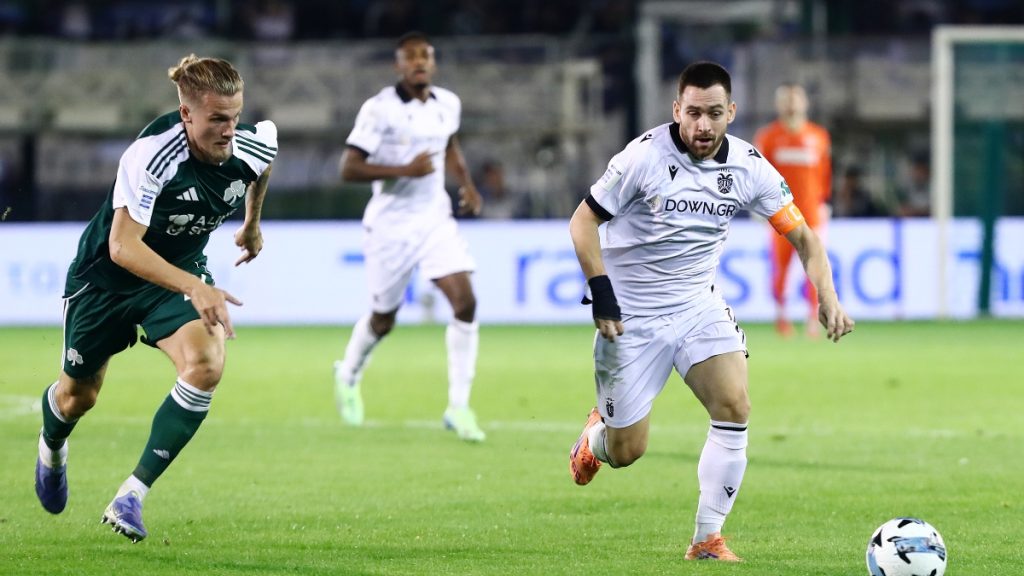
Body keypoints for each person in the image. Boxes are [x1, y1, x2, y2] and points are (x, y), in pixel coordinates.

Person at [568, 62, 854, 562]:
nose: (703, 125)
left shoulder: (748, 166)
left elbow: (806, 238)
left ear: (731, 112)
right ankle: (595, 440)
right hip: (631, 317)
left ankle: (706, 539)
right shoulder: (643, 157)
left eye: (715, 114)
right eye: (694, 113)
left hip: (698, 305)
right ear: (677, 110)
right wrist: (602, 291)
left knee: (734, 405)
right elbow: (582, 221)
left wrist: (827, 296)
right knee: (627, 450)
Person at [33, 54, 277, 543]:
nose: (229, 130)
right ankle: (51, 447)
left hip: (177, 273)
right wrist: (195, 286)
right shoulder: (150, 156)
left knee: (206, 363)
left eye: (235, 116)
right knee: (78, 397)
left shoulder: (252, 144)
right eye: (217, 119)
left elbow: (262, 165)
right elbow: (122, 247)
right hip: (105, 281)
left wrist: (252, 224)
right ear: (186, 114)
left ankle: (132, 495)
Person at [333, 31, 485, 442]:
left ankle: (459, 406)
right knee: (383, 319)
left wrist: (466, 184)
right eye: (411, 57)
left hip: (435, 219)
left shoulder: (447, 104)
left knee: (466, 302)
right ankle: (348, 373)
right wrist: (405, 171)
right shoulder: (379, 109)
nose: (419, 62)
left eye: (425, 56)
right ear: (398, 65)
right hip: (390, 227)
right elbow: (349, 167)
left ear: (433, 63)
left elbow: (449, 145)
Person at [754, 83, 832, 337]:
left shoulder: (819, 136)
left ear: (805, 102)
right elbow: (759, 175)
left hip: (812, 214)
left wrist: (824, 202)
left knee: (815, 266)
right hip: (781, 214)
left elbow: (824, 173)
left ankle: (813, 318)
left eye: (795, 98)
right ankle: (781, 316)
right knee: (781, 266)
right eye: (786, 99)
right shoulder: (768, 137)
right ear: (778, 104)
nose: (791, 103)